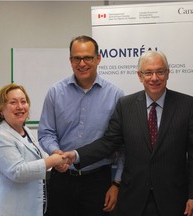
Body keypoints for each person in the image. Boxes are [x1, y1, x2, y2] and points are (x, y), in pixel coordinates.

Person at [64, 50, 193, 216]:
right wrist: (76, 155)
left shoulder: (188, 105)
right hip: (133, 199)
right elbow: (109, 143)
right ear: (140, 76)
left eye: (160, 71)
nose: (154, 78)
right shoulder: (125, 105)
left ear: (168, 73)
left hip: (174, 199)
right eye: (148, 72)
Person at [38, 35, 124, 216]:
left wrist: (116, 184)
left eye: (88, 58)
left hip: (98, 181)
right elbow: (46, 132)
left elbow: (121, 143)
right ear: (70, 60)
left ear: (98, 59)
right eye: (76, 58)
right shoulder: (55, 92)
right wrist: (56, 152)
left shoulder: (115, 95)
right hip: (62, 178)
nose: (82, 63)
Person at [0, 84, 68, 216]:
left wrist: (56, 164)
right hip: (8, 210)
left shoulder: (26, 131)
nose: (20, 106)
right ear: (1, 109)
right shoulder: (0, 137)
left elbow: (37, 160)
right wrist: (52, 161)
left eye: (23, 102)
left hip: (28, 209)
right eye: (13, 102)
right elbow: (18, 171)